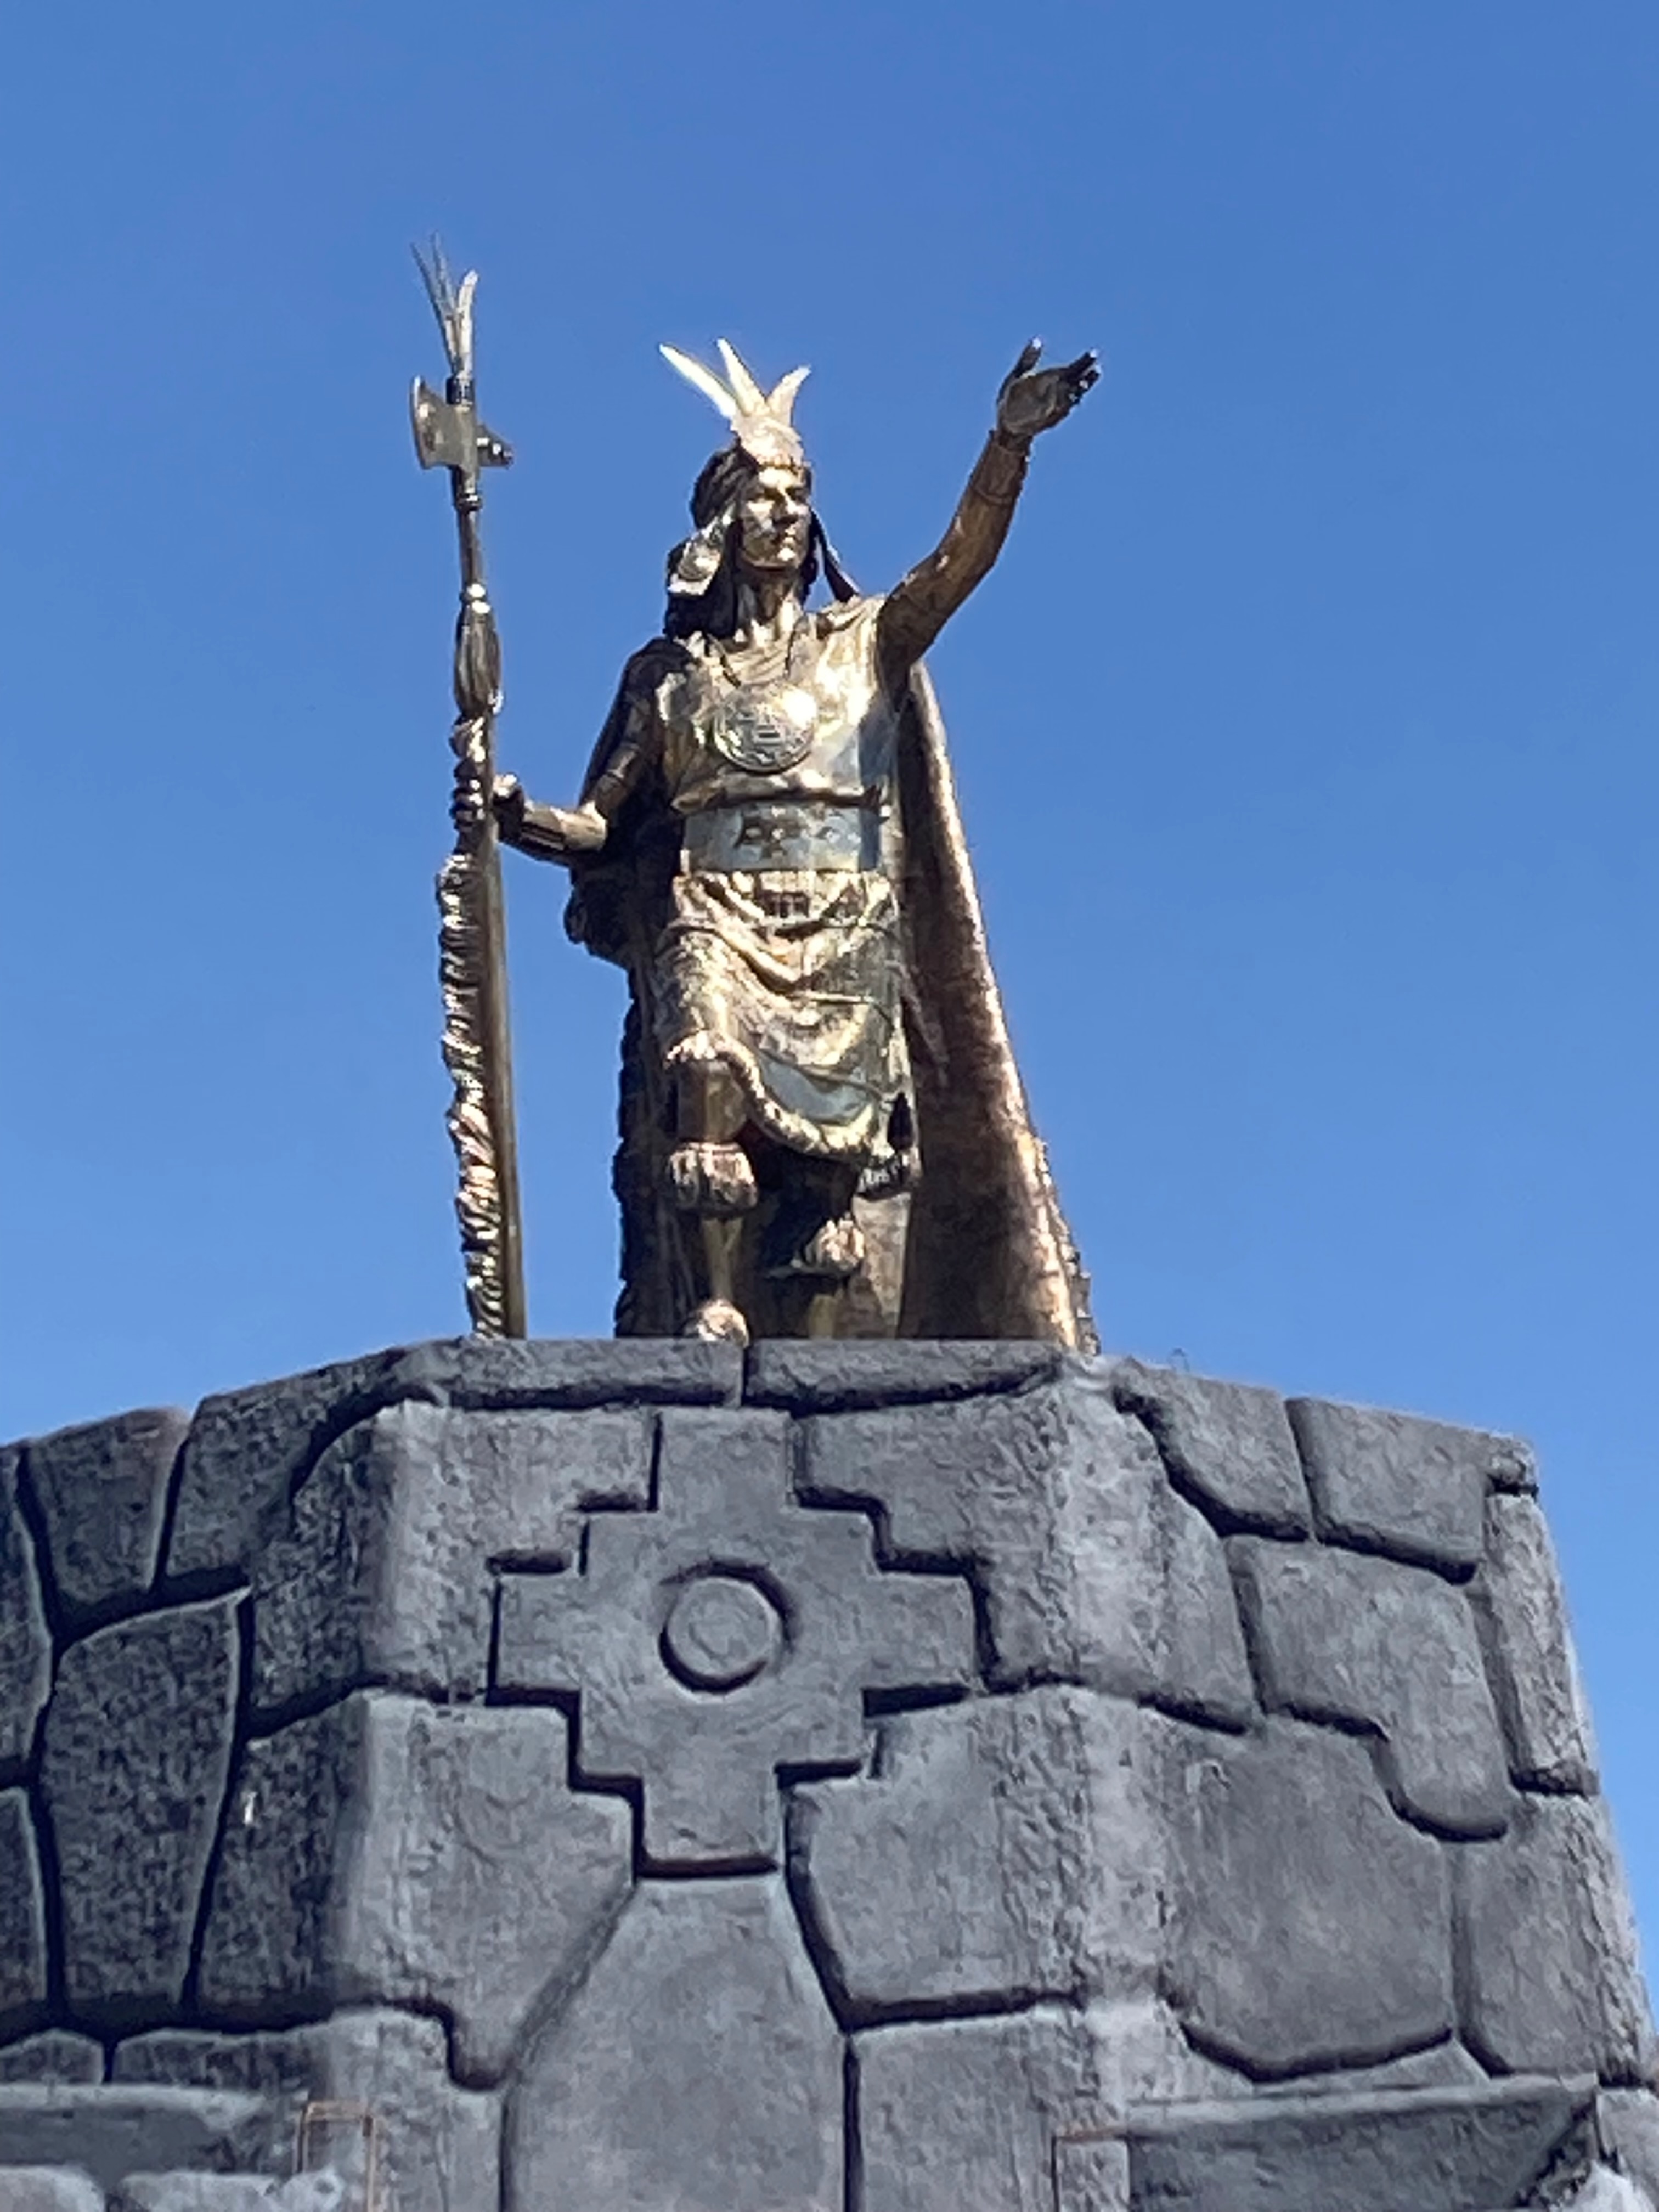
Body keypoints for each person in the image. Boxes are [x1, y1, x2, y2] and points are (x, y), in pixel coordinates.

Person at [495, 337, 1098, 1346]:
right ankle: (712, 1309)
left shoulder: (864, 642)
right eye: (763, 497)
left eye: (797, 496)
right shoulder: (668, 678)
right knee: (704, 1067)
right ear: (720, 524)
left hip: (841, 919)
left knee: (826, 1183)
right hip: (714, 910)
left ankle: (816, 1369)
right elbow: (601, 826)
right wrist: (514, 812)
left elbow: (958, 567)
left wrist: (1008, 445)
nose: (783, 513)